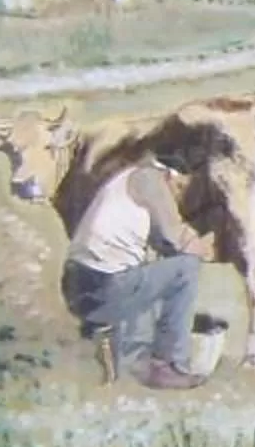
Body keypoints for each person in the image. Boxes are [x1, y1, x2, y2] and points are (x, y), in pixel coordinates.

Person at [59, 155, 223, 389]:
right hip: (105, 288)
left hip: (77, 285)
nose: (177, 196)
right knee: (186, 267)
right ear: (170, 174)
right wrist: (207, 246)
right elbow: (177, 236)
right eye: (179, 187)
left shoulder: (128, 179)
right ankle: (169, 365)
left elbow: (161, 241)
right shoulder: (150, 180)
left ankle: (137, 354)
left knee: (152, 269)